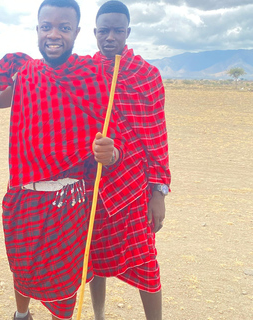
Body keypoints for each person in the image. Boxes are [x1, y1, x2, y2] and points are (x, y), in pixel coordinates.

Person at [0, 0, 132, 319]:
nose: (54, 34)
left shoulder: (92, 76)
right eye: (47, 26)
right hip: (24, 194)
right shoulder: (21, 70)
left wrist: (111, 153)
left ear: (76, 32)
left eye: (64, 28)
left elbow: (116, 142)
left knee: (64, 284)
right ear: (37, 29)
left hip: (71, 199)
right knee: (22, 267)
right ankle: (21, 315)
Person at [87, 1, 171, 320]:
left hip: (135, 188)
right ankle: (98, 315)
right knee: (93, 258)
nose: (110, 37)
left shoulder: (147, 75)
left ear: (128, 32)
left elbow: (157, 139)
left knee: (146, 261)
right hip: (93, 183)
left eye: (117, 31)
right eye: (104, 31)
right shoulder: (86, 73)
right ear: (95, 33)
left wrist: (158, 194)